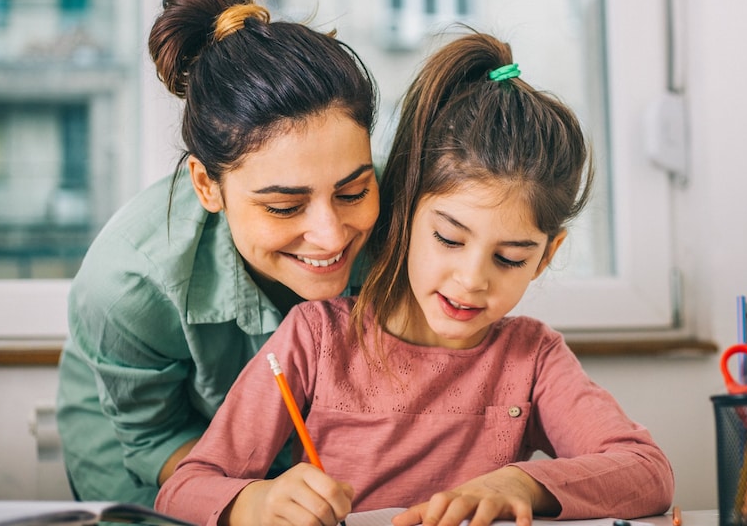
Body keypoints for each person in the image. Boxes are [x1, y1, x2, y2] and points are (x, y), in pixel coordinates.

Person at [156, 30, 675, 526]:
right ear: (404, 213)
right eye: (449, 239)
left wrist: (519, 485)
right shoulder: (316, 339)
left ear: (546, 256)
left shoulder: (533, 359)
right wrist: (257, 503)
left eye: (511, 258)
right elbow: (182, 489)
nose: (472, 280)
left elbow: (648, 472)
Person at [55, 0, 380, 506]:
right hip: (150, 448)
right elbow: (153, 437)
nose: (330, 235)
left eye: (353, 191)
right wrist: (249, 501)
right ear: (208, 186)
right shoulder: (127, 283)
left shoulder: (411, 221)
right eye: (284, 206)